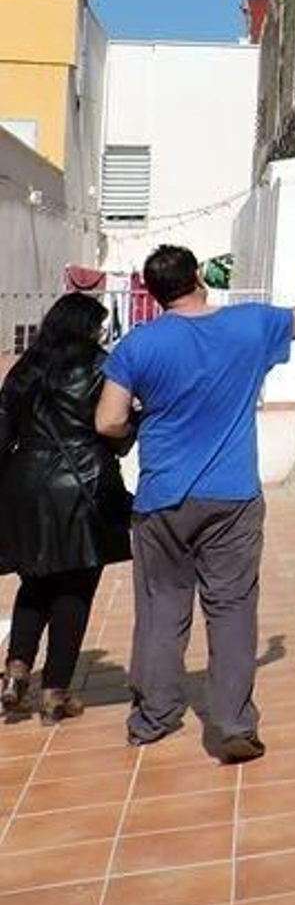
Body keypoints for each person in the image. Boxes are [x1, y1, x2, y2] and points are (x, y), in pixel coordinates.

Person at [95, 243, 295, 762]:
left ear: (154, 293)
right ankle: (232, 725)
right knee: (232, 611)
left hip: (162, 501)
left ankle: (153, 719)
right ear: (198, 276)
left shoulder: (138, 345)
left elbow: (107, 421)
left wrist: (138, 420)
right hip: (233, 498)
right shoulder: (249, 326)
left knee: (161, 611)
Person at [0, 292, 133, 723]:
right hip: (81, 485)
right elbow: (115, 434)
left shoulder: (25, 368)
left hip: (24, 482)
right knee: (75, 586)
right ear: (87, 328)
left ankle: (16, 671)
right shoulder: (101, 367)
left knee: (35, 579)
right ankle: (55, 691)